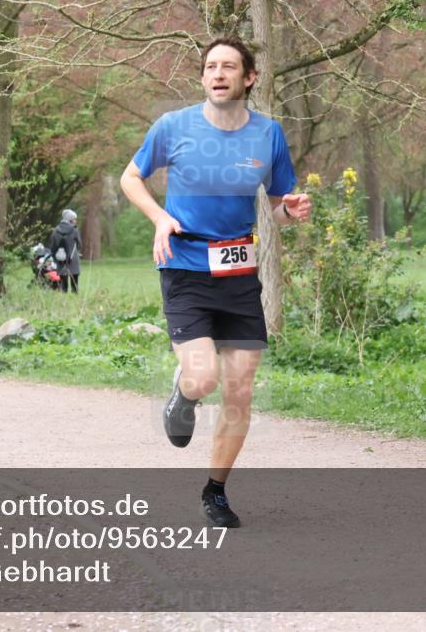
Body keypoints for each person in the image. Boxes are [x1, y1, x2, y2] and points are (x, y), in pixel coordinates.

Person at [120, 36, 312, 527]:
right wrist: (160, 218)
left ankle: (216, 490)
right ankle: (183, 395)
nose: (218, 74)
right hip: (184, 266)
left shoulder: (267, 135)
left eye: (229, 67)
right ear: (203, 77)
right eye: (210, 67)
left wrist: (291, 210)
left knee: (240, 389)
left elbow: (278, 202)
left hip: (238, 273)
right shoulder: (173, 126)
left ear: (249, 78)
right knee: (203, 376)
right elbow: (130, 178)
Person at [48, 209, 82, 293]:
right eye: (74, 219)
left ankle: (64, 299)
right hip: (72, 258)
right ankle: (74, 298)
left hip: (60, 259)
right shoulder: (74, 230)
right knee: (74, 283)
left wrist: (55, 256)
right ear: (70, 219)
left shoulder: (56, 230)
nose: (75, 221)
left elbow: (52, 246)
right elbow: (79, 244)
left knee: (63, 285)